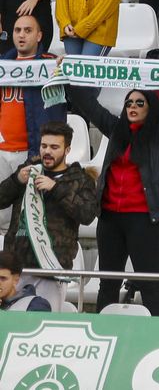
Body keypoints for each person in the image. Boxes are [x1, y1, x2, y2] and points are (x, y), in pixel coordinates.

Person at [66, 82, 159, 314]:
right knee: (108, 282)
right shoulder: (115, 129)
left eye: (139, 103)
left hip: (143, 220)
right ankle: (104, 331)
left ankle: (158, 334)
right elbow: (89, 106)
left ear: (150, 107)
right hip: (110, 219)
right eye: (128, 103)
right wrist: (66, 78)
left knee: (149, 283)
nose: (132, 106)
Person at [0, 121, 96, 310]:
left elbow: (87, 214)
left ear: (67, 150)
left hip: (51, 268)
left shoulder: (80, 178)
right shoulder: (28, 171)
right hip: (17, 268)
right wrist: (17, 180)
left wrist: (56, 189)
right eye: (44, 146)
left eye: (54, 147)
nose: (47, 152)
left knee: (45, 324)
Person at [0, 15, 65, 179]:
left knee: (28, 204)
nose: (21, 35)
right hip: (1, 149)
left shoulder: (52, 64)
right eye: (17, 30)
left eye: (28, 30)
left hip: (32, 152)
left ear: (39, 36)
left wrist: (64, 71)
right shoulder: (3, 64)